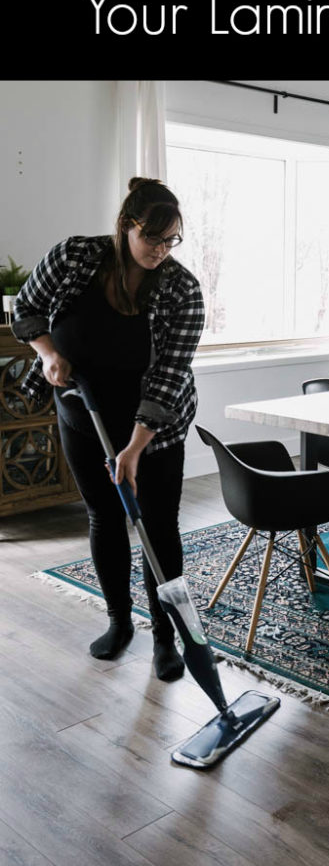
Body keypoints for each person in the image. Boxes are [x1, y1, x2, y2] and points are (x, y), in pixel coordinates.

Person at [12, 178, 205, 681]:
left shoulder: (182, 290)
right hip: (83, 413)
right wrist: (49, 354)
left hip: (155, 427)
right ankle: (120, 623)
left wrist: (136, 448)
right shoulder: (74, 257)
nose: (162, 251)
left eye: (171, 241)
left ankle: (166, 637)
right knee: (104, 514)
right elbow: (26, 310)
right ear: (126, 227)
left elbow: (169, 377)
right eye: (153, 239)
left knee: (157, 527)